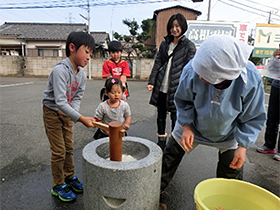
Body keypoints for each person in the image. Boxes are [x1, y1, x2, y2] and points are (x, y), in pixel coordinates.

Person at [160, 35, 266, 205]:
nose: (200, 77)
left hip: (229, 131)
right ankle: (155, 189)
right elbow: (183, 101)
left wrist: (243, 146)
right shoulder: (192, 69)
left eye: (206, 76)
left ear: (224, 74)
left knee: (232, 168)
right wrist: (186, 126)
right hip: (192, 125)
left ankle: (226, 202)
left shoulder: (250, 78)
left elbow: (253, 116)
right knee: (170, 155)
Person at [42, 31, 95, 202]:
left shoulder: (81, 75)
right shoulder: (60, 71)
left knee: (69, 148)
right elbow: (59, 102)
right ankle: (58, 185)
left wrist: (74, 115)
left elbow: (77, 97)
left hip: (67, 112)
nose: (88, 57)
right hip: (52, 112)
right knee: (59, 151)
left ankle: (69, 177)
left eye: (91, 54)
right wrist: (80, 118)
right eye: (86, 52)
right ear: (72, 48)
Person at [147, 13, 196, 151]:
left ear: (183, 27)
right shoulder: (164, 44)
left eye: (177, 26)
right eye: (172, 26)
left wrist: (187, 89)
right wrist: (152, 81)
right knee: (161, 116)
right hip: (162, 86)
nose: (174, 29)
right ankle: (161, 141)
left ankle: (173, 143)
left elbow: (189, 70)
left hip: (177, 89)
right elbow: (157, 64)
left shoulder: (189, 46)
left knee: (176, 118)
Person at [257, 47, 280, 161]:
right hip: (277, 85)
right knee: (272, 117)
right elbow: (270, 71)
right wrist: (275, 58)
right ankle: (269, 145)